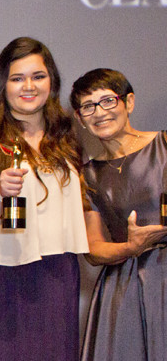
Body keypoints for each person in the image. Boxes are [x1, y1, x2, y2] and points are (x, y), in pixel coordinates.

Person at [0, 37, 87, 361]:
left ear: (52, 81)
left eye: (38, 76)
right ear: (4, 85)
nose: (28, 86)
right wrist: (0, 193)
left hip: (56, 275)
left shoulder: (68, 139)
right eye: (17, 78)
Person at [69, 68, 167, 361]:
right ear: (80, 118)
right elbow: (93, 250)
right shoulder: (86, 175)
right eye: (88, 106)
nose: (99, 112)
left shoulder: (164, 145)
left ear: (129, 102)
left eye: (108, 101)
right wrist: (130, 247)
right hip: (123, 288)